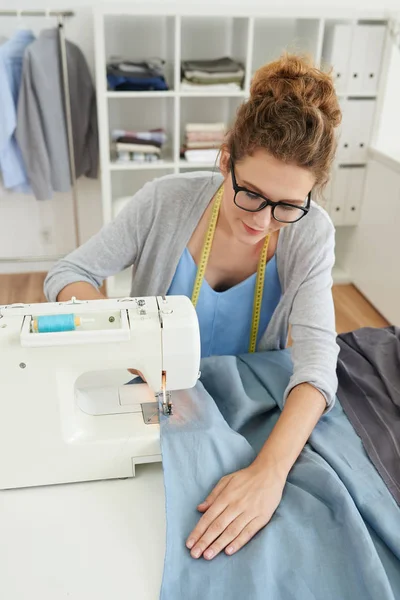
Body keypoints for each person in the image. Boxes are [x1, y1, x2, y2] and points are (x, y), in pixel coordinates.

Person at [44, 54, 342, 562]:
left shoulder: (311, 232)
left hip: (245, 405)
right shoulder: (164, 201)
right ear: (226, 161)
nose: (265, 222)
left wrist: (268, 477)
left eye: (288, 206)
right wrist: (134, 346)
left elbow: (317, 359)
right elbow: (66, 276)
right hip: (153, 393)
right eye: (251, 194)